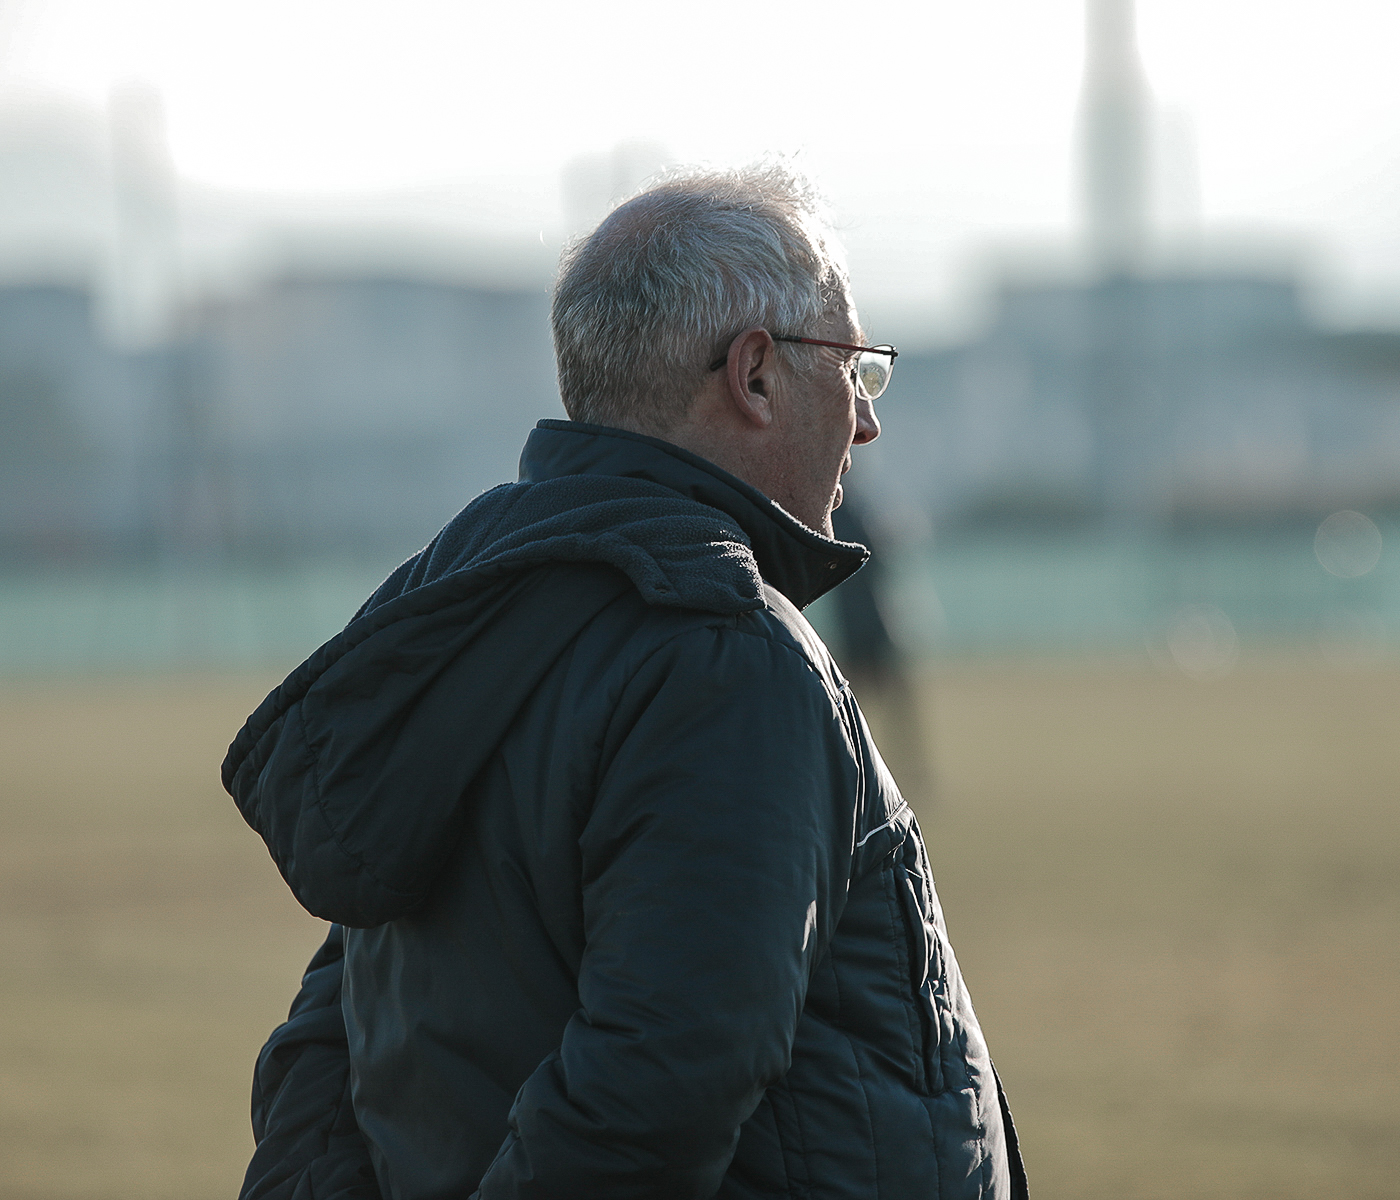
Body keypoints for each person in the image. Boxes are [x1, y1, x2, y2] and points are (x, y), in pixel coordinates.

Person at [222, 165, 1025, 1200]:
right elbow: (650, 1099)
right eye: (853, 369)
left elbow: (327, 1046)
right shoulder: (724, 660)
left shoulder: (474, 624)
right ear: (755, 375)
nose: (866, 421)